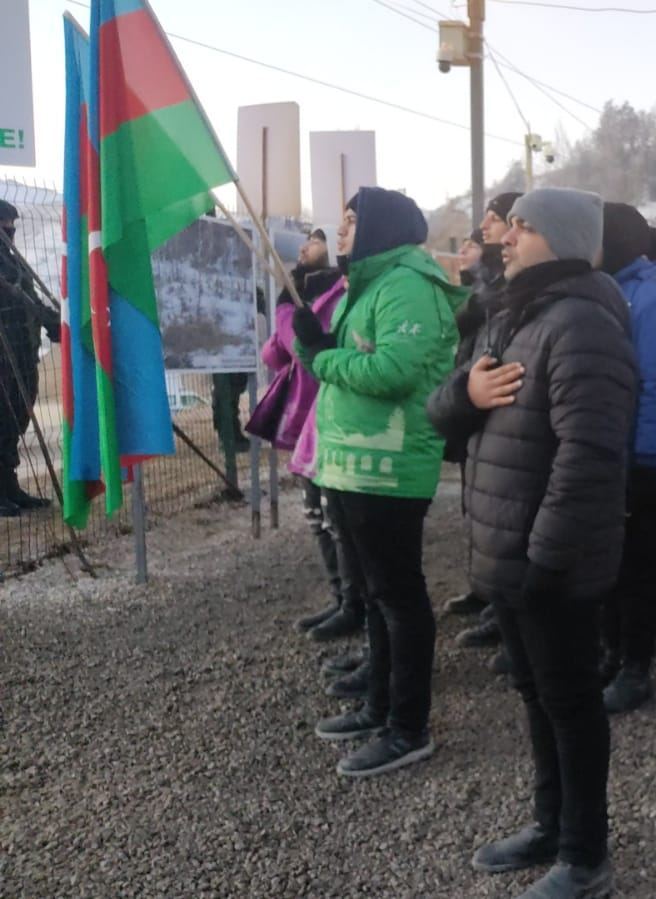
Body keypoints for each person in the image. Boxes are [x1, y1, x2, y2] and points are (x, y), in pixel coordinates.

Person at [429, 187, 636, 899]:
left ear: (563, 239)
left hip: (548, 559)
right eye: (507, 225)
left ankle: (585, 854)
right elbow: (445, 413)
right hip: (508, 553)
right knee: (535, 694)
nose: (505, 236)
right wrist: (468, 396)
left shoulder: (582, 324)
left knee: (571, 701)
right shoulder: (514, 317)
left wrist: (546, 558)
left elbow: (590, 455)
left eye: (522, 225)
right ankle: (549, 824)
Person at [298, 186, 467, 778]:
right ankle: (379, 703)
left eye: (349, 222)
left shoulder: (407, 287)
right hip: (352, 464)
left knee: (399, 596)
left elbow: (394, 370)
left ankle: (408, 726)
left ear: (379, 229)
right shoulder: (367, 284)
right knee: (374, 592)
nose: (339, 233)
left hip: (389, 468)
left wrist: (321, 358)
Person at [596, 202, 656, 714]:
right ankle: (611, 653)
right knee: (609, 564)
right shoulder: (610, 288)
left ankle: (636, 667)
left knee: (639, 566)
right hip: (611, 454)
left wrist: (647, 463)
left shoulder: (652, 301)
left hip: (642, 459)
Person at [253, 230, 355, 640]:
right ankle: (341, 597)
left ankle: (354, 604)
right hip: (305, 422)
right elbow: (276, 354)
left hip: (325, 416)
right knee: (316, 513)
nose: (303, 247)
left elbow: (303, 350)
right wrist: (283, 312)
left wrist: (285, 316)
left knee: (334, 516)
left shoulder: (338, 292)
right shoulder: (306, 292)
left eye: (314, 240)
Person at [449, 192, 521, 644]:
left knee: (503, 513)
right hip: (474, 399)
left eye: (496, 220)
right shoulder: (486, 285)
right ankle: (486, 592)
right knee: (476, 504)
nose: (488, 227)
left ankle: (503, 608)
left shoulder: (512, 285)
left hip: (499, 406)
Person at [0, 200, 61, 517]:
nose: (10, 232)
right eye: (4, 226)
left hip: (23, 354)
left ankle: (9, 487)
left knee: (15, 421)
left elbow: (31, 298)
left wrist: (55, 323)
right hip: (2, 357)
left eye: (12, 226)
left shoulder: (14, 262)